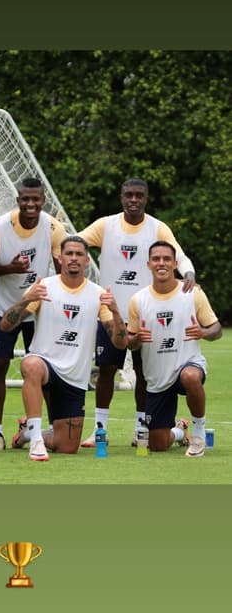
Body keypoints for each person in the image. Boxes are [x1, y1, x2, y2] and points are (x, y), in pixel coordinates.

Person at [77, 178, 196, 448]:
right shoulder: (105, 225)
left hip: (147, 315)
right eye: (128, 195)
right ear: (121, 197)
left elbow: (178, 255)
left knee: (144, 373)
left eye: (139, 195)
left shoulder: (157, 227)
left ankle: (141, 429)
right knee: (106, 370)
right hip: (111, 314)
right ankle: (99, 430)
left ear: (146, 198)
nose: (133, 200)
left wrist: (188, 272)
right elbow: (75, 245)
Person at [1, 235, 127, 461]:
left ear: (87, 260)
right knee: (30, 364)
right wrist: (25, 300)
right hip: (46, 367)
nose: (74, 258)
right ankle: (36, 441)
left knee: (67, 447)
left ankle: (27, 433)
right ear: (60, 258)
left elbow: (120, 343)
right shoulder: (44, 287)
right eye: (69, 253)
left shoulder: (98, 294)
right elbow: (5, 325)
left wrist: (117, 312)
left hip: (74, 377)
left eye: (79, 254)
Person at [0, 177, 66, 450]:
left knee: (44, 368)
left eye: (35, 199)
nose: (30, 204)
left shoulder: (54, 227)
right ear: (17, 201)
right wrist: (10, 269)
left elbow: (62, 270)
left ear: (43, 201)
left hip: (38, 309)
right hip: (4, 307)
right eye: (25, 199)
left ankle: (49, 428)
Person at [127, 241, 221, 457]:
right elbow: (130, 342)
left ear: (175, 264)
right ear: (148, 264)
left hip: (187, 364)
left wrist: (203, 332)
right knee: (157, 444)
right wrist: (137, 339)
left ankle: (198, 433)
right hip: (158, 378)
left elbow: (216, 329)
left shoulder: (192, 293)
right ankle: (180, 431)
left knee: (190, 377)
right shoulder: (138, 300)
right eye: (156, 259)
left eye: (166, 259)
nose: (161, 263)